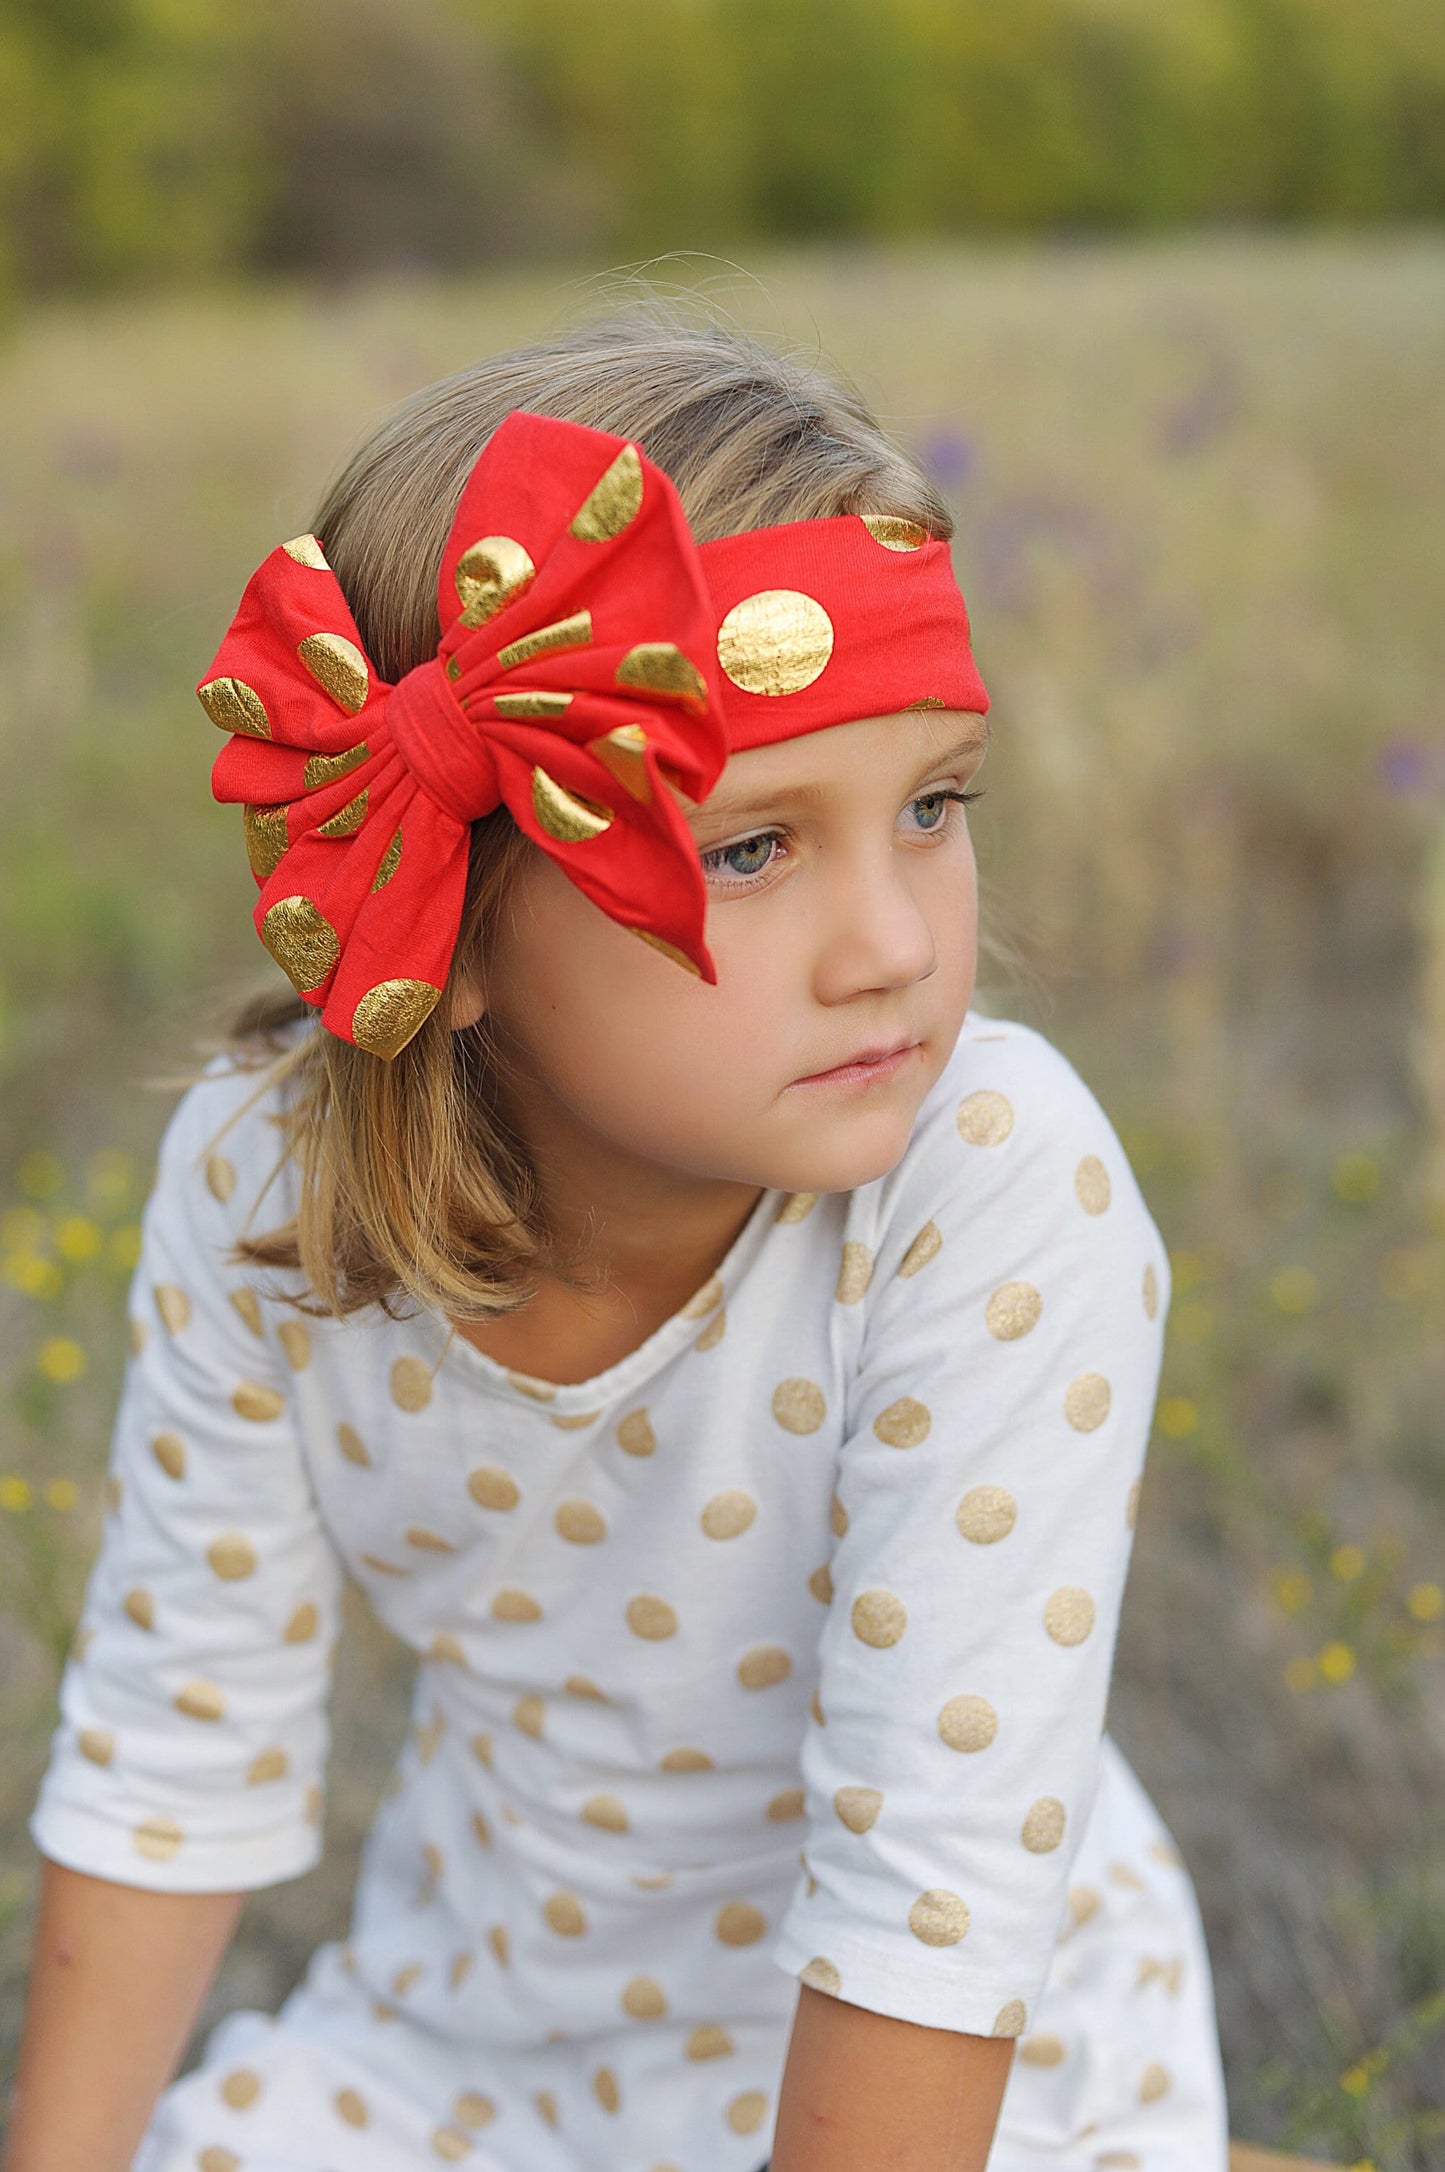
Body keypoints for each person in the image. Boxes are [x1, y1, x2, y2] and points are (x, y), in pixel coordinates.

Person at [7, 309, 1230, 2172]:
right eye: (752, 850)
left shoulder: (984, 1182)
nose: (894, 939)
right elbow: (181, 1749)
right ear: (456, 920)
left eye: (932, 806)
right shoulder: (267, 1185)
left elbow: (936, 1898)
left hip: (950, 2060)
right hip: (486, 2016)